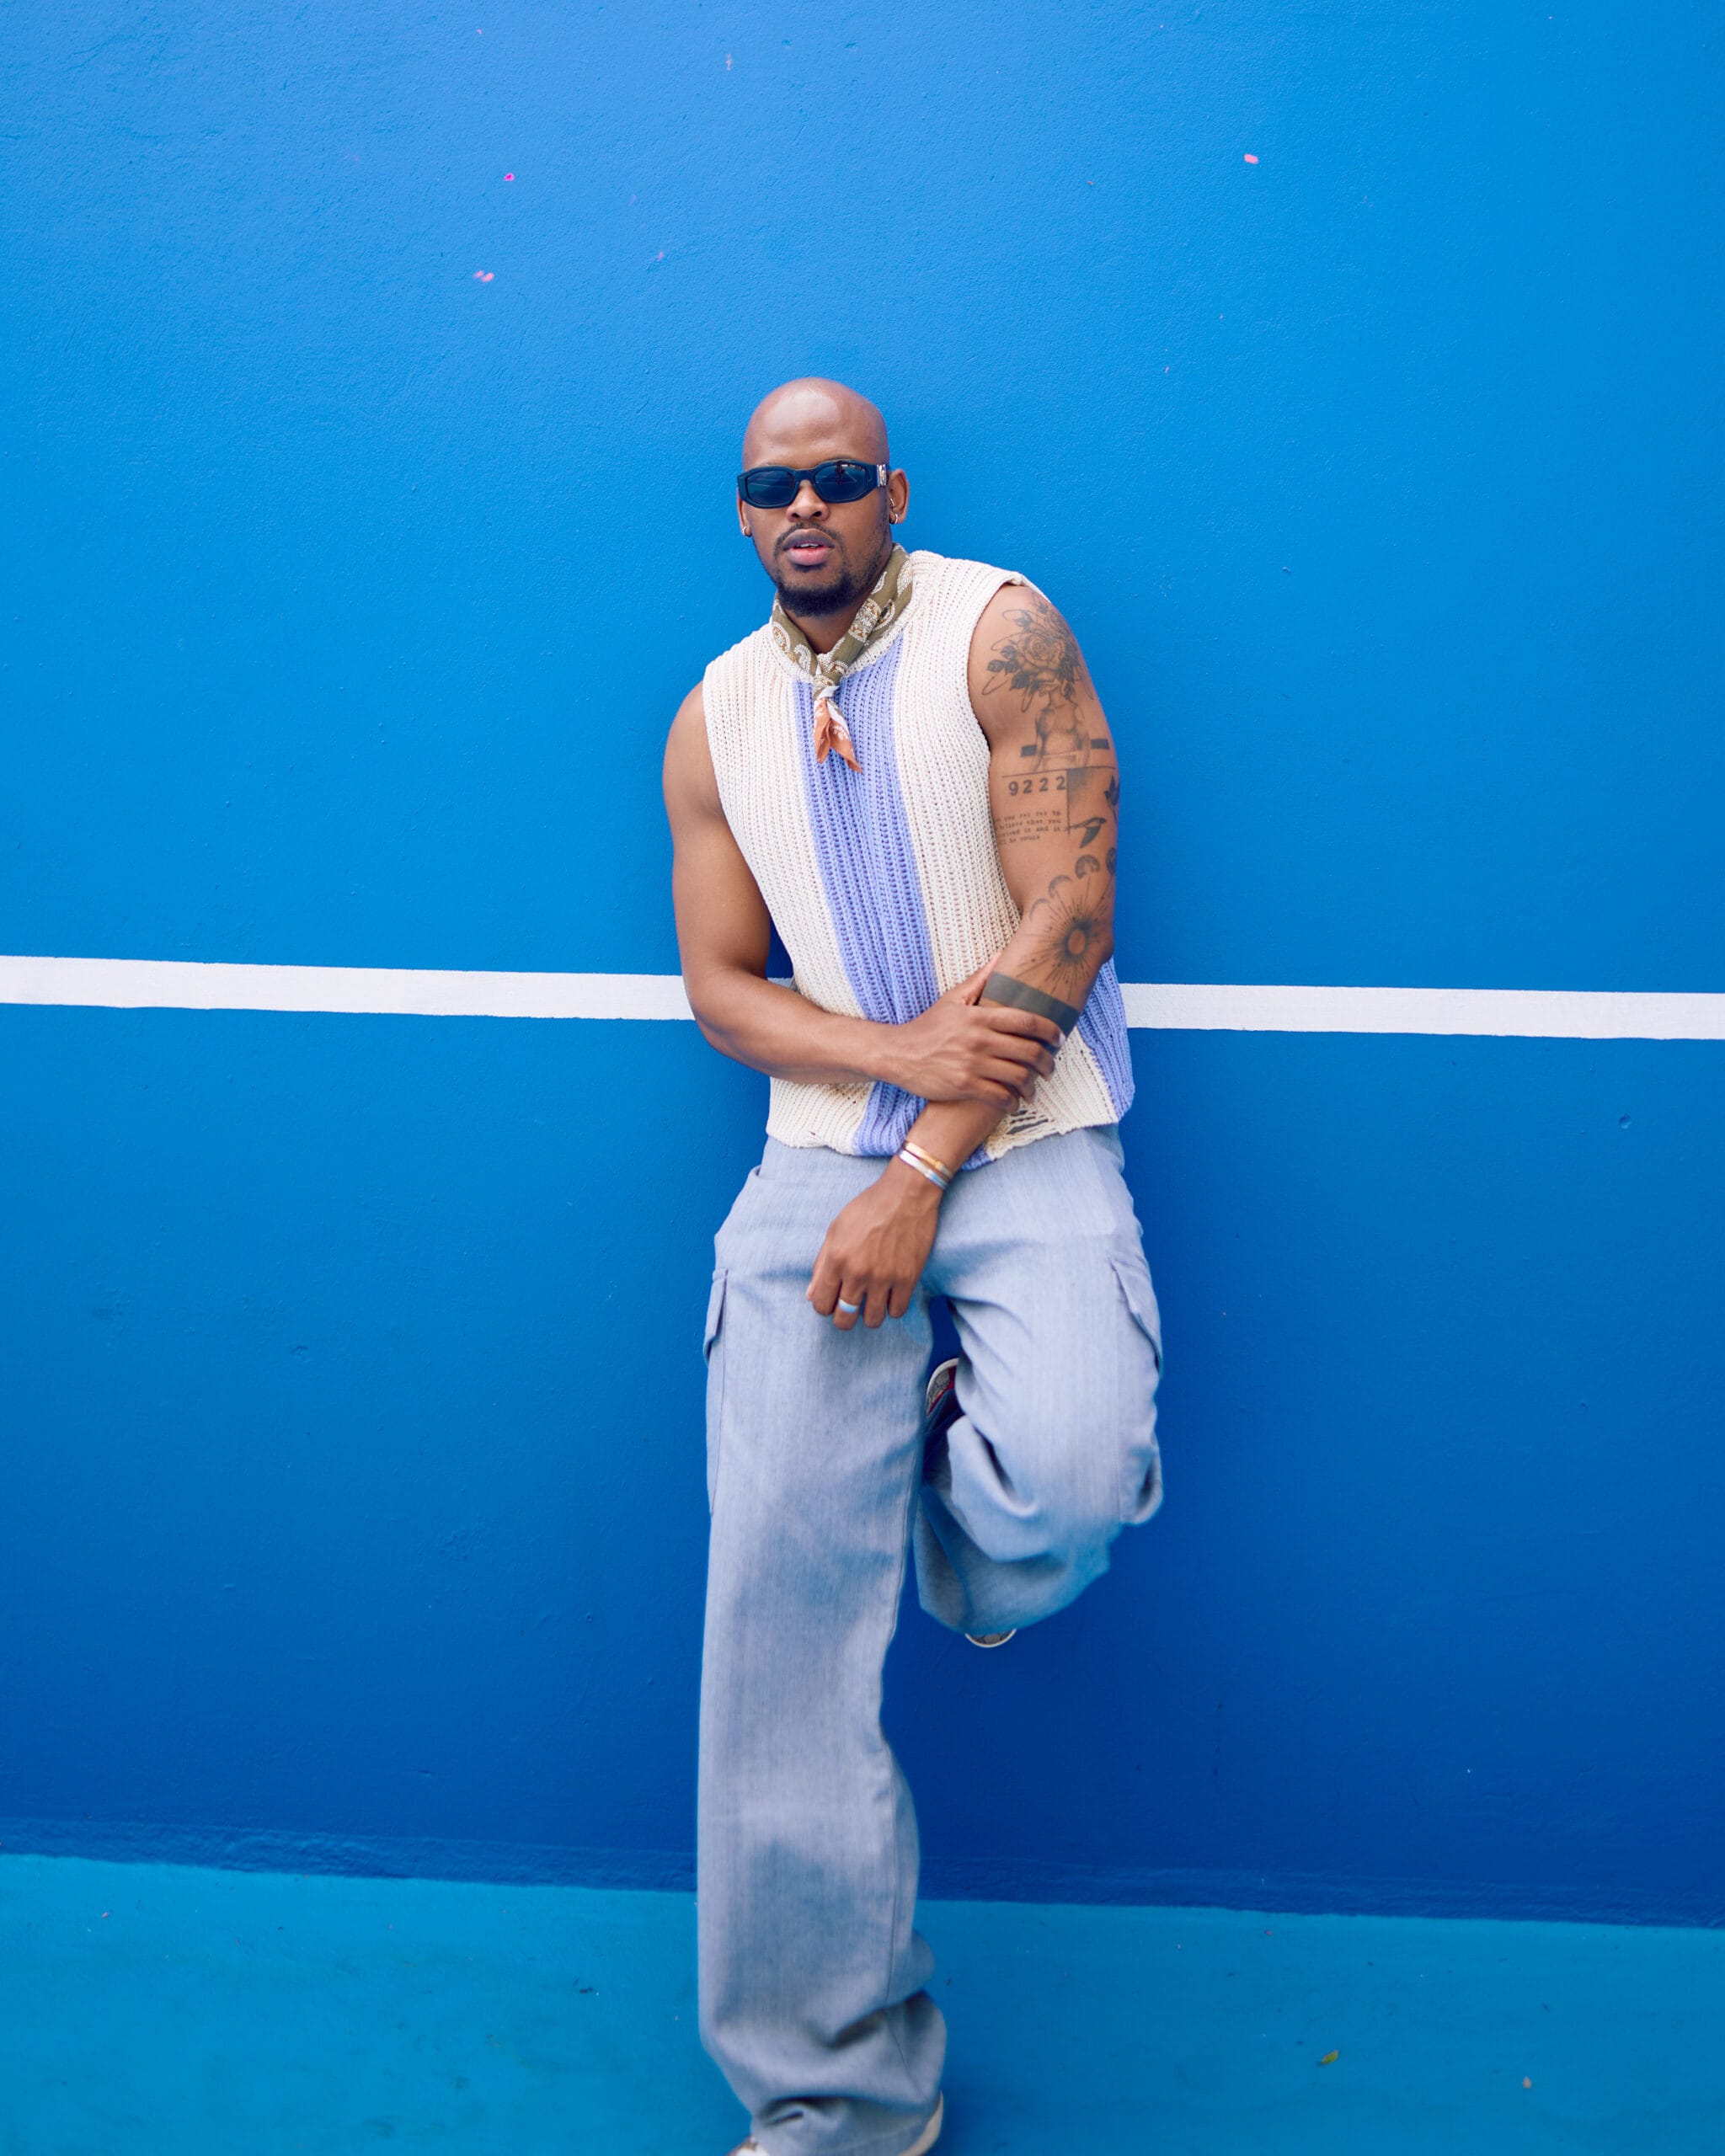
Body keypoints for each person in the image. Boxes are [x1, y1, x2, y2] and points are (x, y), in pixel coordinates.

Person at [662, 377, 1165, 2156]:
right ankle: (838, 2092)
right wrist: (884, 1063)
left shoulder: (999, 629)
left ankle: (936, 1473)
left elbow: (1070, 910)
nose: (804, 503)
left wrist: (928, 1155)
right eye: (770, 483)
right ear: (742, 513)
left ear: (891, 489)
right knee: (779, 1635)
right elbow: (722, 988)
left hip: (1020, 1136)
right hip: (819, 1155)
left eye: (837, 475)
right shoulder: (712, 717)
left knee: (1072, 1480)